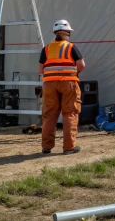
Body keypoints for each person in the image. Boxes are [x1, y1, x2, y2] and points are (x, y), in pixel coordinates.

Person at [38, 19, 86, 154]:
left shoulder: (46, 49)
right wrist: (72, 72)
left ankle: (46, 147)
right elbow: (81, 65)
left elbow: (40, 70)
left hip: (49, 84)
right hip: (69, 83)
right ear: (68, 33)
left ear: (55, 33)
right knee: (70, 113)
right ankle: (69, 147)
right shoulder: (71, 47)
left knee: (49, 115)